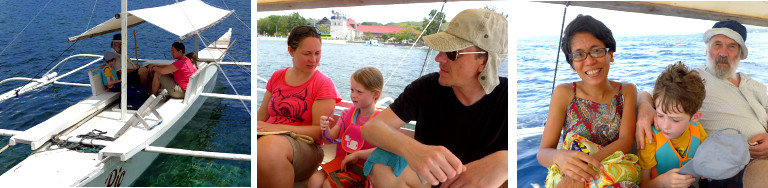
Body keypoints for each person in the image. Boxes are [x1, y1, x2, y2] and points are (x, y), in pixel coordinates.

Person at [361, 9, 508, 187]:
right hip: (430, 182)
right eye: (441, 49)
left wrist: (504, 161)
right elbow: (371, 128)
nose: (438, 58)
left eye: (452, 52)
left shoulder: (507, 98)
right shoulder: (426, 88)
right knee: (380, 165)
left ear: (484, 61)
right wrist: (413, 149)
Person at [635, 20, 768, 187]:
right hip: (732, 166)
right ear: (707, 49)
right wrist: (645, 109)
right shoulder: (693, 80)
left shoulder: (758, 87)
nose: (723, 52)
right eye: (717, 44)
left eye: (731, 46)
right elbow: (648, 94)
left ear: (741, 54)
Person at [536, 15, 639, 187]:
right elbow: (543, 153)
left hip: (608, 171)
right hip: (571, 169)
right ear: (572, 63)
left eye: (596, 51)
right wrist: (558, 157)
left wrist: (584, 170)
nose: (589, 61)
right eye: (579, 55)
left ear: (610, 54)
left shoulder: (626, 91)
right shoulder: (564, 93)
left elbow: (626, 141)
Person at [257, 25, 341, 187]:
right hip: (270, 137)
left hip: (306, 146)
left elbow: (320, 132)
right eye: (307, 54)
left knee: (268, 150)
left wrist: (277, 128)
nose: (314, 60)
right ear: (291, 51)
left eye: (317, 53)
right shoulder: (277, 76)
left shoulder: (324, 84)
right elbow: (262, 115)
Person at [308, 66, 384, 188]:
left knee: (329, 185)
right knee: (314, 181)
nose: (353, 95)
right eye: (352, 90)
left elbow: (384, 150)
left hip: (363, 171)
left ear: (376, 94)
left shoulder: (381, 121)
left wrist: (358, 155)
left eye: (359, 92)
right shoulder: (346, 113)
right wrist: (325, 129)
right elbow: (329, 140)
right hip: (340, 164)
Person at [637, 62, 707, 188]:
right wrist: (663, 182)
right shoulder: (650, 140)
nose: (665, 126)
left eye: (675, 120)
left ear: (695, 117)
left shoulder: (698, 131)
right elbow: (643, 185)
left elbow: (708, 157)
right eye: (660, 115)